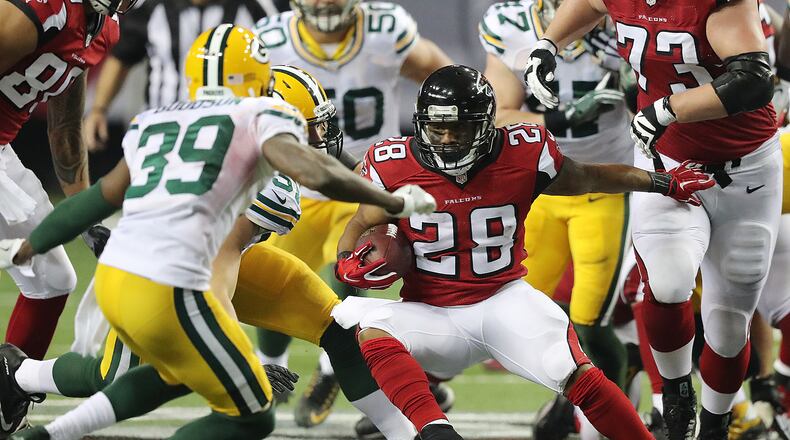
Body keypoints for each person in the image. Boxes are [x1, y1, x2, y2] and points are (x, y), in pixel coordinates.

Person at [0, 25, 435, 440]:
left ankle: (402, 433)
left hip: (200, 257)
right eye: (310, 125)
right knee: (113, 375)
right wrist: (228, 348)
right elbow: (217, 269)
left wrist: (34, 243)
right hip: (169, 272)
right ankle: (19, 373)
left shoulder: (173, 121)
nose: (321, 135)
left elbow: (103, 197)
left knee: (337, 325)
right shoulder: (265, 163)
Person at [332, 64, 714, 440]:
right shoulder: (392, 164)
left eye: (459, 127)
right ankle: (435, 431)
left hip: (503, 302)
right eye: (438, 127)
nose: (447, 139)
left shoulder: (523, 152)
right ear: (421, 123)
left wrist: (662, 182)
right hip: (430, 312)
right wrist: (350, 261)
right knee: (373, 330)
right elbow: (357, 226)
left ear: (485, 124)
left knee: (577, 373)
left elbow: (590, 177)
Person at [524, 0, 782, 438]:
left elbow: (754, 80)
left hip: (748, 172)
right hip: (669, 161)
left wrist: (666, 109)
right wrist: (547, 44)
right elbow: (587, 4)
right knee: (665, 280)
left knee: (727, 320)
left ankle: (717, 423)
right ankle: (675, 392)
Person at [253, 0, 453, 428]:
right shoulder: (269, 40)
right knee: (270, 274)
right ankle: (267, 367)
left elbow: (444, 80)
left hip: (363, 179)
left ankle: (329, 369)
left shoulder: (385, 28)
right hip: (296, 184)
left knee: (351, 274)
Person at [479, 2, 632, 437]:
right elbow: (499, 114)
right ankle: (423, 396)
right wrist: (562, 117)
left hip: (607, 185)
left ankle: (604, 419)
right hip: (542, 188)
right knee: (505, 309)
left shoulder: (630, 18)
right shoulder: (510, 24)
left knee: (590, 320)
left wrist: (640, 92)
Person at [0, 0, 128, 378]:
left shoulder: (103, 29)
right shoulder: (43, 9)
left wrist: (87, 218)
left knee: (53, 280)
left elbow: (66, 130)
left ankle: (9, 398)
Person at [82, 0, 282, 152]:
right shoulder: (153, 7)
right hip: (162, 128)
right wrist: (99, 109)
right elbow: (122, 58)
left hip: (234, 132)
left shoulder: (254, 7)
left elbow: (280, 62)